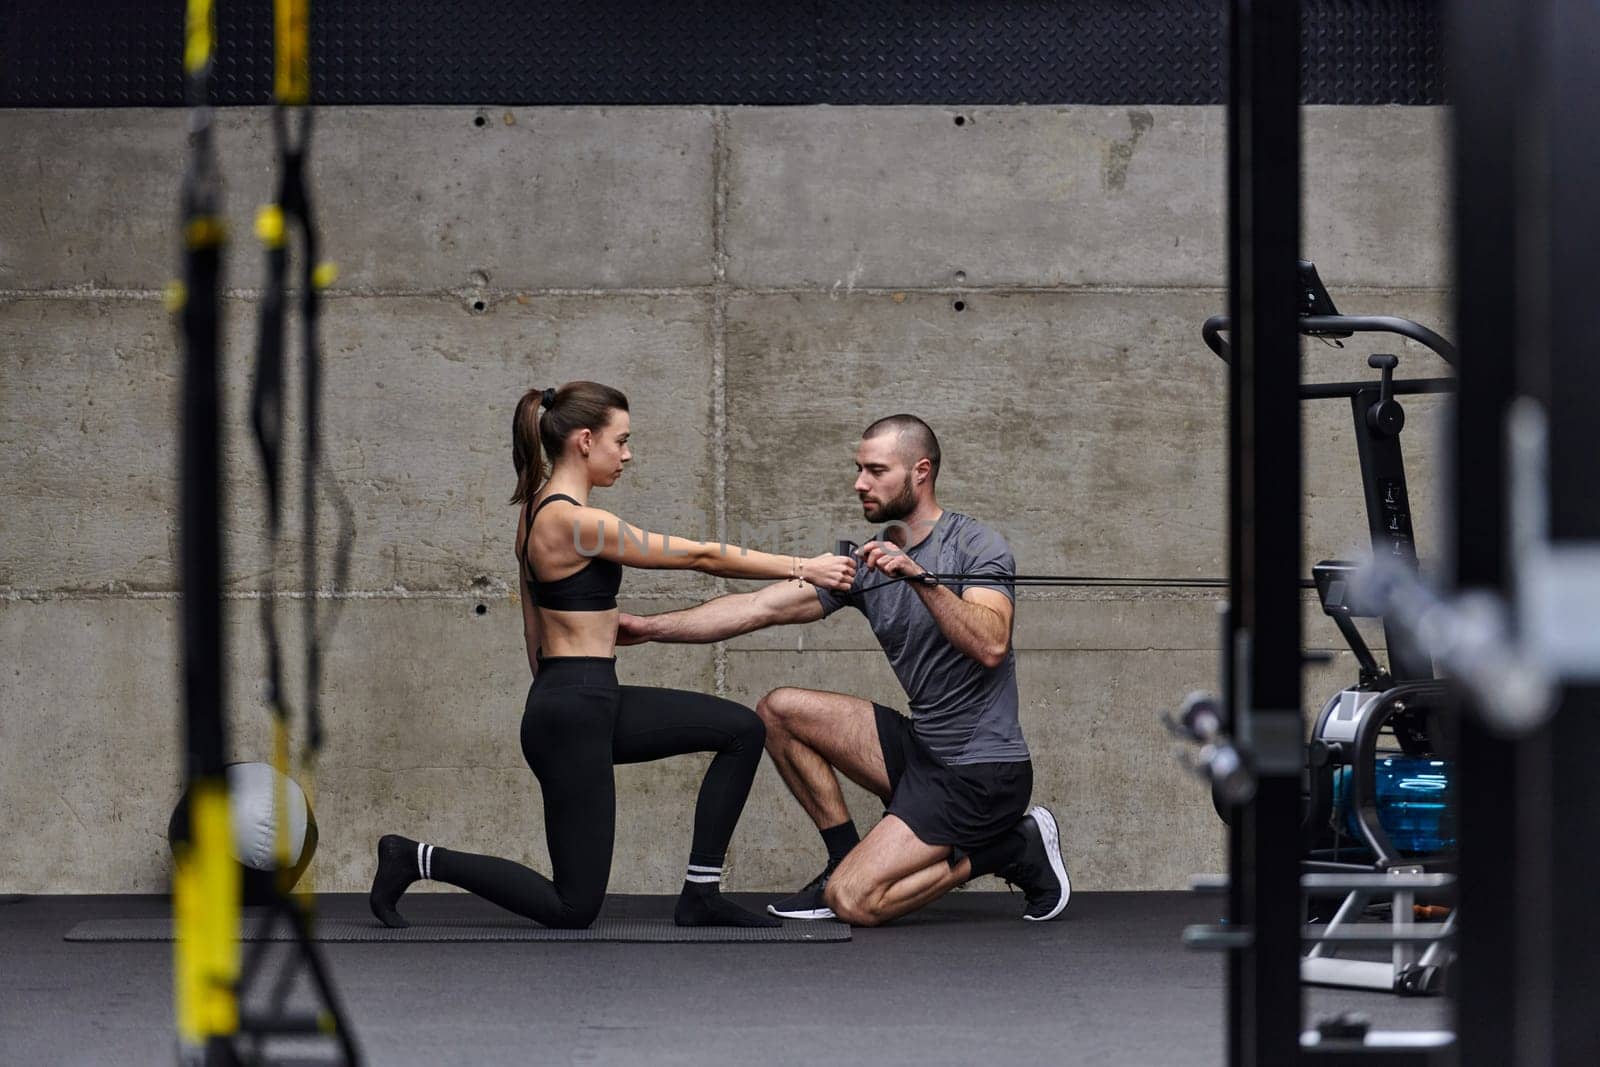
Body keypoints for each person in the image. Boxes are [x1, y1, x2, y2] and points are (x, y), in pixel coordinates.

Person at [369, 381, 856, 929]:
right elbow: (699, 556)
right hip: (575, 710)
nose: (627, 455)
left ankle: (701, 894)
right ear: (583, 441)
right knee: (573, 907)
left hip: (577, 700)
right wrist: (803, 567)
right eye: (620, 441)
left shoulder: (532, 515)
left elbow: (533, 625)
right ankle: (412, 857)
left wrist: (570, 679)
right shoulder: (576, 521)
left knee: (742, 729)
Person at [618, 414, 1070, 926]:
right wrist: (647, 627)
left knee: (854, 901)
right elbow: (757, 608)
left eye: (876, 470)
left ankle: (1009, 847)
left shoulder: (974, 545)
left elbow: (990, 643)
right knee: (778, 711)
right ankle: (841, 857)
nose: (860, 483)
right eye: (859, 468)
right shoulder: (863, 565)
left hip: (982, 772)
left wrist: (920, 578)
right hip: (925, 752)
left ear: (921, 472)